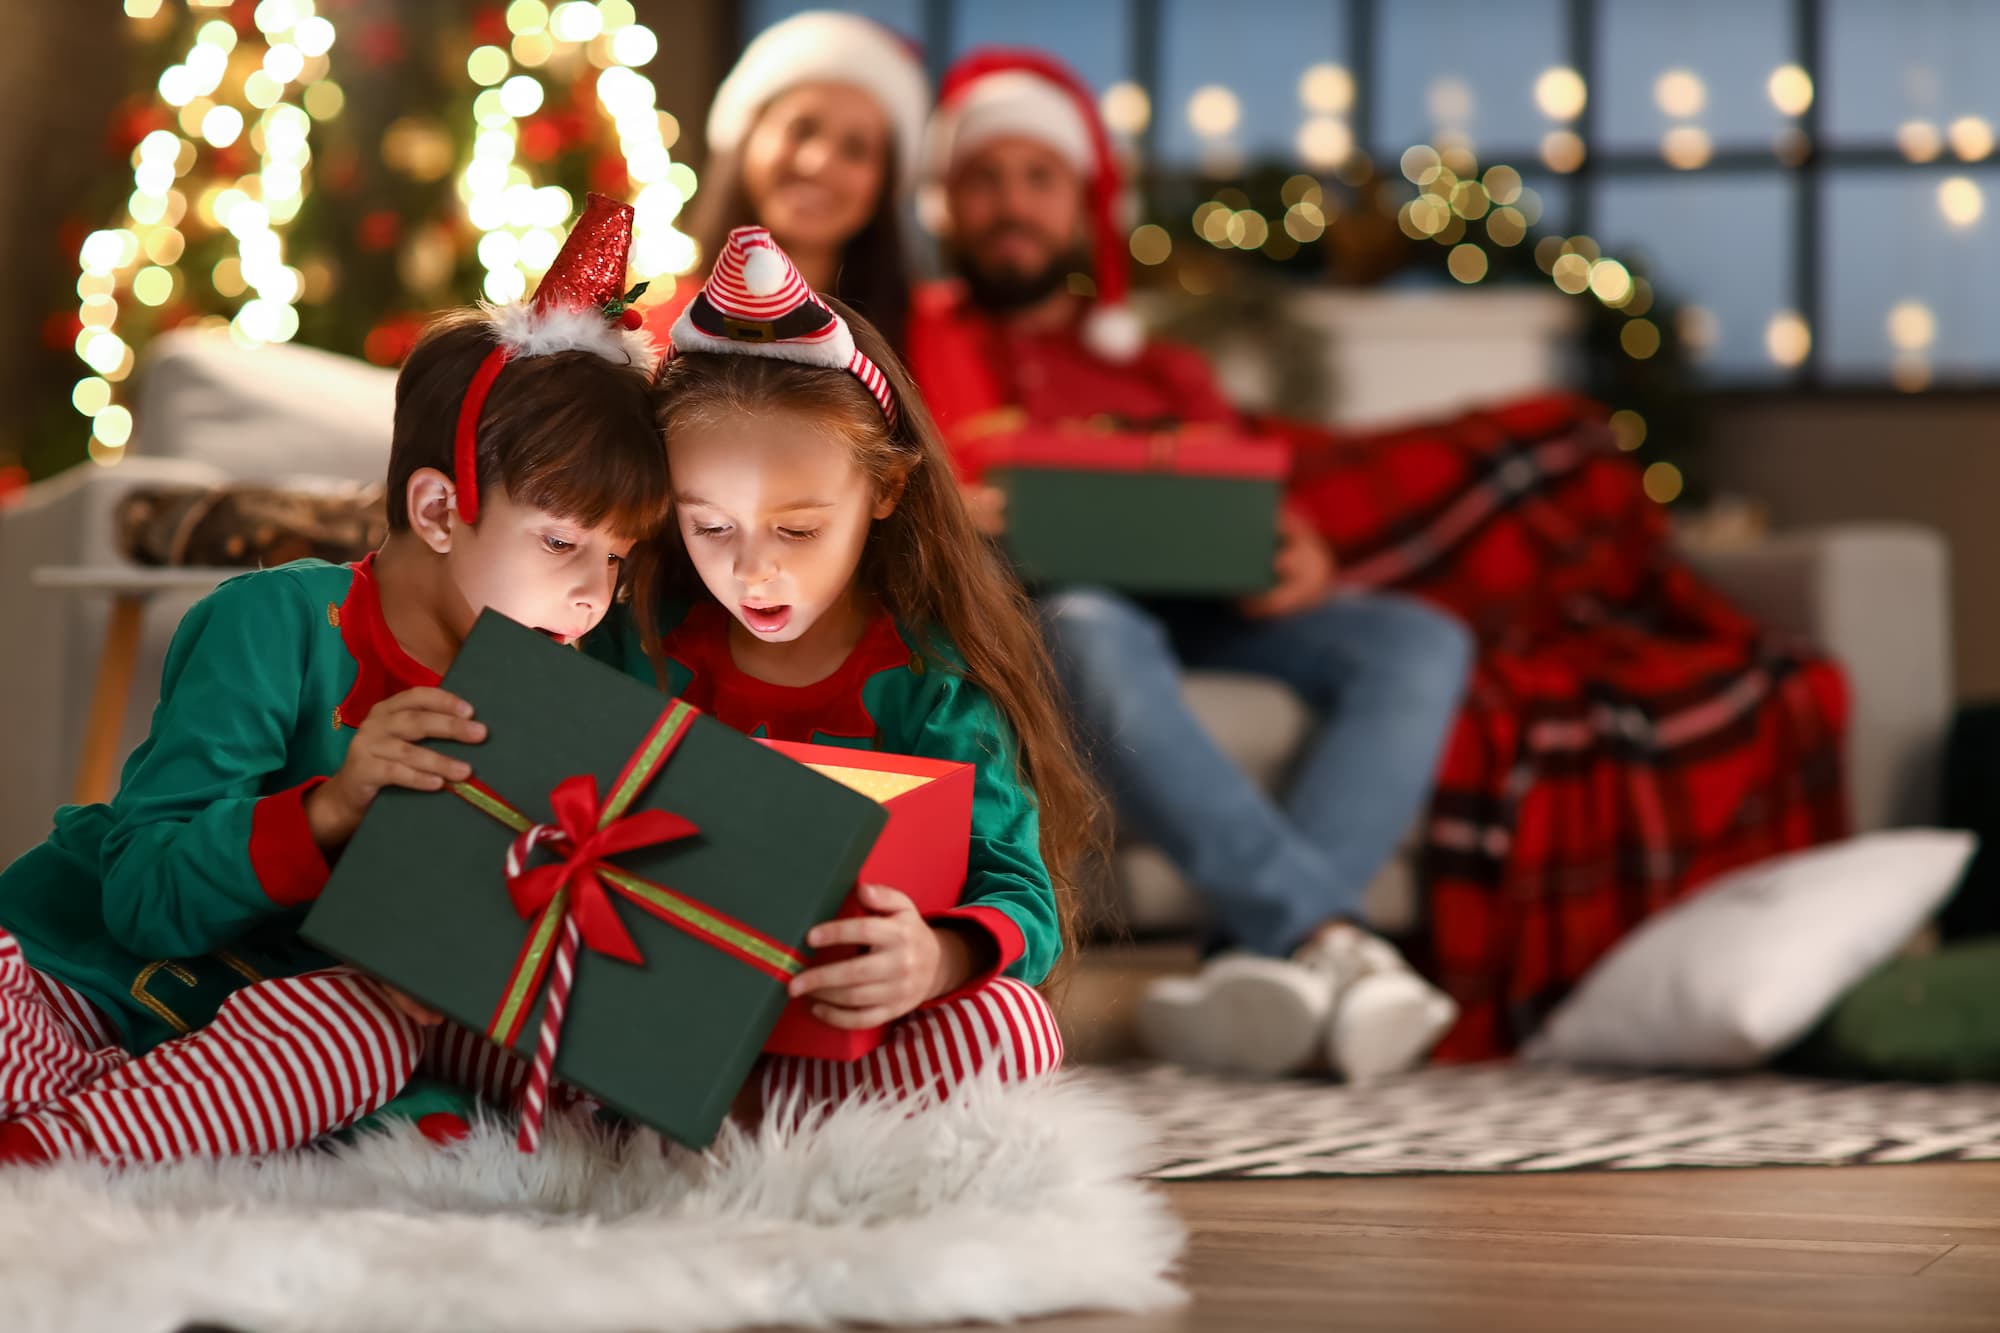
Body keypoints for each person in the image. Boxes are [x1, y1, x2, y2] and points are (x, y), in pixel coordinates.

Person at [0, 195, 670, 1163]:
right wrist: (331, 806)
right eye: (562, 543)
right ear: (439, 509)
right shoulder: (269, 625)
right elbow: (141, 897)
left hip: (280, 1037)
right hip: (81, 978)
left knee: (376, 1045)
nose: (591, 593)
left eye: (616, 559)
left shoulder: (556, 687)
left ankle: (100, 1130)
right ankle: (64, 1155)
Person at [907, 50, 1475, 1082]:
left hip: (1202, 607)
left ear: (1081, 208)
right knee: (1086, 623)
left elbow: (1250, 499)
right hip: (1048, 611)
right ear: (945, 202)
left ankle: (1262, 960)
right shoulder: (918, 341)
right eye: (984, 178)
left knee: (1416, 639)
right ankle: (1321, 939)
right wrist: (961, 505)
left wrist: (1294, 550)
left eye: (1038, 179)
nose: (1010, 205)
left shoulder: (1154, 364)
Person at [588, 227, 1087, 1112]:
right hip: (652, 1021)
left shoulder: (933, 684)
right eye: (711, 526)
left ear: (887, 492)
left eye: (799, 528)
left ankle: (768, 1132)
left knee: (1011, 1026)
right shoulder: (635, 644)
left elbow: (1023, 895)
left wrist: (935, 957)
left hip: (841, 1046)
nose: (754, 570)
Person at [642, 9, 928, 354]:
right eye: (801, 129)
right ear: (748, 139)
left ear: (885, 182)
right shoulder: (651, 329)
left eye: (856, 150)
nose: (818, 163)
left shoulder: (929, 343)